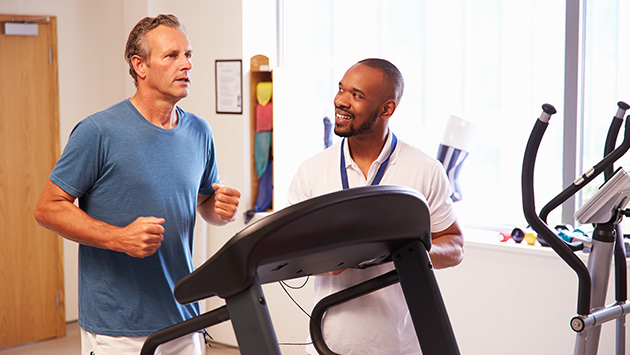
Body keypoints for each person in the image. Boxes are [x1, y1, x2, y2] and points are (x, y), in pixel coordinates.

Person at [34, 14, 241, 355]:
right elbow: (47, 208)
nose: (186, 64)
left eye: (188, 55)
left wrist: (218, 209)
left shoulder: (199, 132)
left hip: (184, 318)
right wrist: (118, 237)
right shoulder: (98, 132)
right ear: (140, 66)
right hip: (119, 327)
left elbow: (205, 203)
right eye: (172, 56)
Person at [287, 58, 464, 354]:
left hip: (399, 344)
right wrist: (324, 260)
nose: (340, 101)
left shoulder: (424, 169)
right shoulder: (312, 170)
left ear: (387, 109)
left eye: (356, 95)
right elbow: (289, 252)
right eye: (341, 89)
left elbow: (454, 245)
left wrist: (401, 255)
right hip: (327, 343)